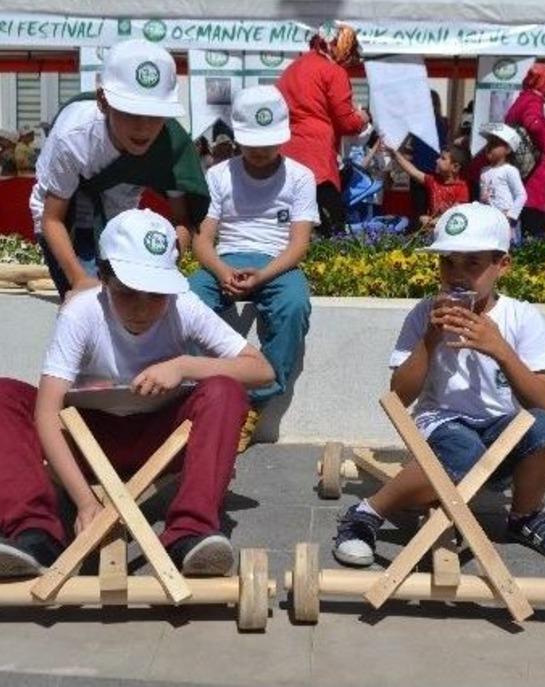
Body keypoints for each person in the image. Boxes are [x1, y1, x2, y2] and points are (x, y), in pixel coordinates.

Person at [0, 209, 275, 579]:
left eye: (155, 295)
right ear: (103, 278)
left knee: (225, 390)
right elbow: (48, 411)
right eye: (129, 293)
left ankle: (190, 531)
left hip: (161, 439)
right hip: (88, 440)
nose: (144, 307)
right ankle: (33, 534)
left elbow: (261, 369)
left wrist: (184, 366)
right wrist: (85, 502)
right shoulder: (82, 313)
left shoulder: (183, 306)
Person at [331, 203, 545, 566]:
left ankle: (525, 517)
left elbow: (543, 400)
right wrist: (430, 340)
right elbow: (400, 396)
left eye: (473, 263)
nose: (457, 275)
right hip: (442, 422)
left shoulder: (521, 316)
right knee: (463, 450)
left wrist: (501, 350)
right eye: (448, 262)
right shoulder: (424, 313)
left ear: (503, 265)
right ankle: (367, 514)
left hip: (502, 428)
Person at [189, 86, 318, 449]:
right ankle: (209, 390)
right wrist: (220, 271)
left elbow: (299, 245)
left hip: (277, 264)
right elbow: (203, 240)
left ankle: (254, 402)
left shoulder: (300, 177)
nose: (261, 151)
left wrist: (263, 275)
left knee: (293, 305)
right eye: (252, 143)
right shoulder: (218, 175)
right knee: (186, 301)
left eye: (269, 142)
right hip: (225, 258)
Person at [32, 39, 208, 300]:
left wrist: (165, 261)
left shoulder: (171, 145)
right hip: (65, 222)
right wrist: (79, 280)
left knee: (133, 305)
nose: (143, 127)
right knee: (88, 304)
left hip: (120, 222)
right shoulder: (73, 137)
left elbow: (183, 221)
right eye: (130, 112)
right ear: (104, 101)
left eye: (155, 114)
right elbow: (52, 219)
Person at [276, 24, 370, 236]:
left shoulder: (293, 68)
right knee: (332, 230)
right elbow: (347, 122)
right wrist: (362, 118)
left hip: (285, 152)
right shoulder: (333, 71)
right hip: (317, 157)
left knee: (289, 226)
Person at [503, 63, 545, 237]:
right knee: (531, 234)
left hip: (520, 175)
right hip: (534, 178)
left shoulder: (522, 99)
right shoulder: (533, 101)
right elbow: (533, 125)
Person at [388, 141, 470, 228]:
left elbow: (455, 214)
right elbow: (413, 172)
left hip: (448, 232)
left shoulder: (462, 188)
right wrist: (395, 154)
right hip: (431, 230)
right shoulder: (433, 180)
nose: (437, 160)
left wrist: (437, 220)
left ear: (455, 167)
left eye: (443, 158)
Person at [408, 90, 451, 221]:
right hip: (431, 170)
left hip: (425, 170)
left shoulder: (419, 123)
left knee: (421, 208)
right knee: (431, 207)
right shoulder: (442, 122)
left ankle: (421, 233)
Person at [478, 124, 526, 237]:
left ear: (508, 149)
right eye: (488, 143)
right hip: (488, 218)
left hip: (505, 219)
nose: (489, 147)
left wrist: (511, 216)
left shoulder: (509, 170)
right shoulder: (484, 171)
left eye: (494, 144)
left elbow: (521, 195)